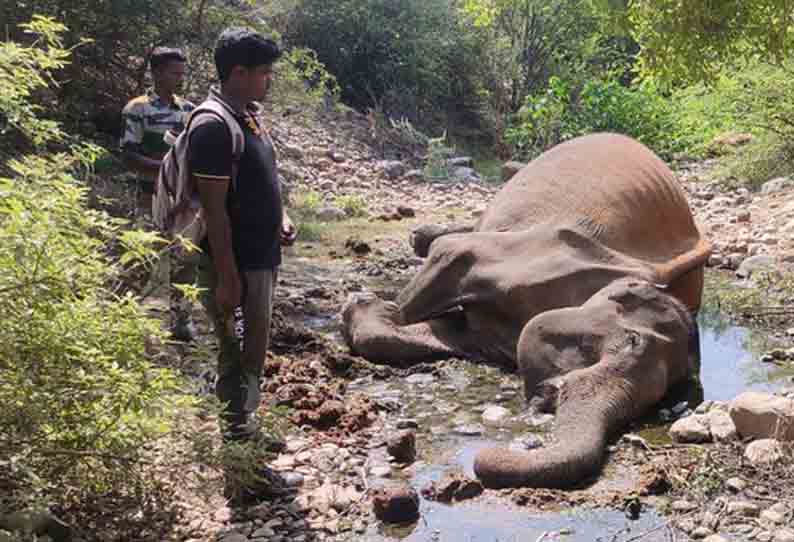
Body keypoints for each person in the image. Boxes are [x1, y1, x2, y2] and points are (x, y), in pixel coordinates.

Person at [188, 28, 297, 500]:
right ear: (238, 73)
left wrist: (283, 216)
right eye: (264, 73)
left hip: (260, 257)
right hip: (236, 267)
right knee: (235, 360)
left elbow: (264, 178)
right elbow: (213, 212)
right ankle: (240, 474)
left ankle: (246, 435)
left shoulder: (248, 116)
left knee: (253, 354)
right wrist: (227, 280)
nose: (269, 81)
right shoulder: (212, 125)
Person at [120, 47, 198, 342]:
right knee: (142, 260)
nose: (180, 78)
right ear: (157, 73)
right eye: (174, 72)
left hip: (182, 202)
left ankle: (181, 321)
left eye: (182, 73)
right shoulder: (138, 109)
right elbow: (128, 154)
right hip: (148, 198)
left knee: (184, 262)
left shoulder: (189, 110)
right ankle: (127, 321)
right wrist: (166, 167)